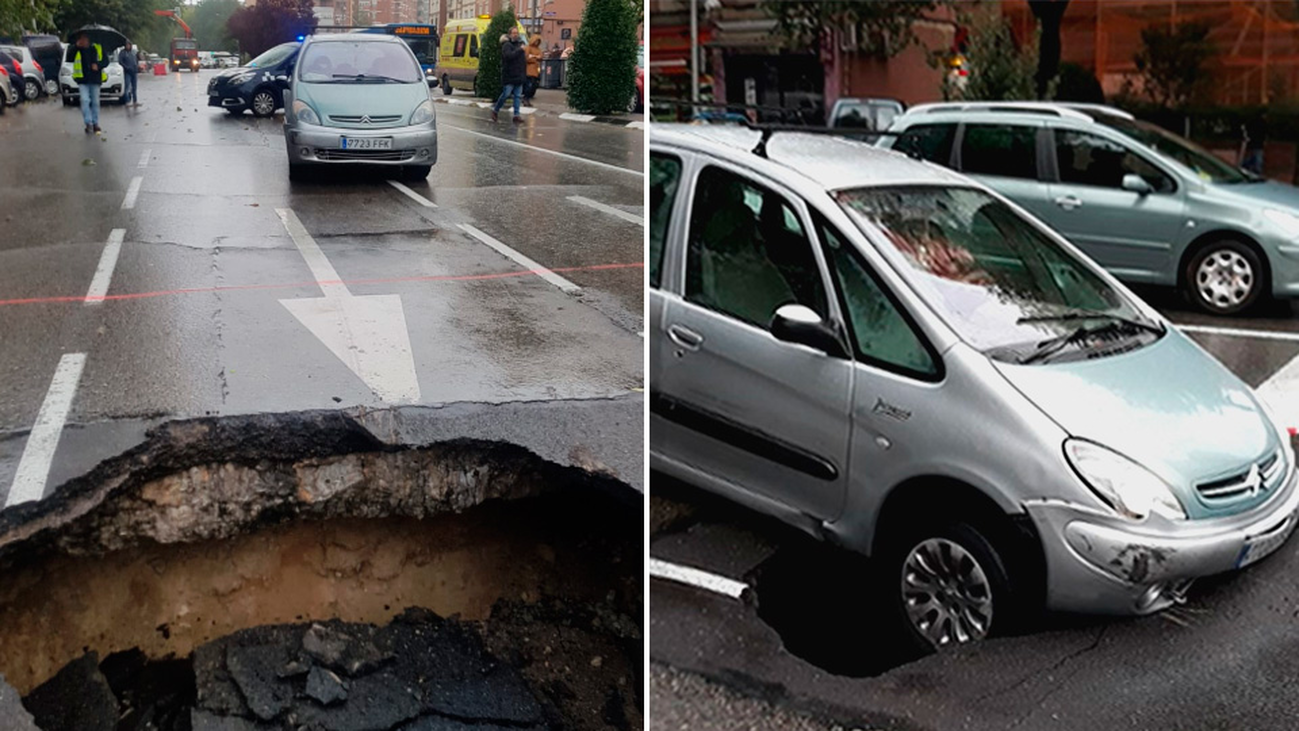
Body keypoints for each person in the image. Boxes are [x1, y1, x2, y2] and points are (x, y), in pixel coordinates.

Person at [491, 27, 527, 124]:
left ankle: (516, 115)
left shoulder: (520, 44)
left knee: (517, 96)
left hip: (519, 75)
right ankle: (495, 110)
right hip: (509, 75)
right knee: (506, 94)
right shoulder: (506, 45)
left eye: (517, 33)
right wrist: (520, 50)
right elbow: (509, 56)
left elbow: (522, 61)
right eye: (514, 33)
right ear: (510, 34)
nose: (516, 34)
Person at [71, 34, 105, 133]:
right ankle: (88, 122)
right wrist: (76, 46)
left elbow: (105, 61)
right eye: (82, 39)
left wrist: (98, 66)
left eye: (85, 39)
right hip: (82, 80)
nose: (83, 41)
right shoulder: (77, 49)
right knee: (85, 100)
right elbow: (69, 58)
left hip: (95, 79)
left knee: (95, 102)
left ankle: (95, 123)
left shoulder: (97, 47)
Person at [524, 36, 543, 106]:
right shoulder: (528, 48)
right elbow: (527, 58)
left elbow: (541, 57)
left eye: (538, 41)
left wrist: (533, 56)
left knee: (533, 85)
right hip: (529, 70)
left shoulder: (538, 49)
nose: (536, 43)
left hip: (535, 70)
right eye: (536, 41)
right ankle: (526, 98)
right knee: (529, 84)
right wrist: (535, 57)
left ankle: (527, 98)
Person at [118, 41, 139, 107]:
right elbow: (120, 61)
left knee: (134, 88)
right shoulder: (122, 53)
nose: (128, 46)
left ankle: (135, 101)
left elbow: (136, 60)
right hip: (127, 72)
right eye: (127, 45)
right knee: (127, 87)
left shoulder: (133, 52)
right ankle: (127, 101)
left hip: (134, 72)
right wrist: (127, 68)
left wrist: (136, 67)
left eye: (129, 45)